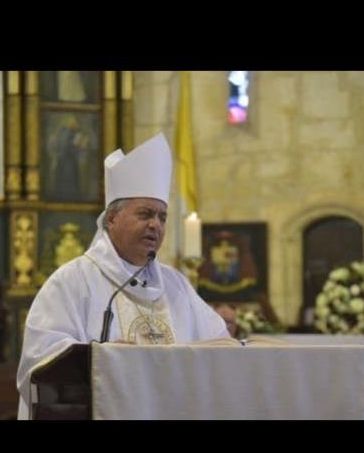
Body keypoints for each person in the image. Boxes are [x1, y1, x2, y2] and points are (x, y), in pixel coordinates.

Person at [16, 132, 229, 419]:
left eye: (162, 217)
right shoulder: (72, 281)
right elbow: (40, 359)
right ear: (112, 218)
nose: (155, 225)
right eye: (145, 214)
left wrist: (230, 342)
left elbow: (219, 345)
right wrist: (99, 360)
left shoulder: (176, 285)